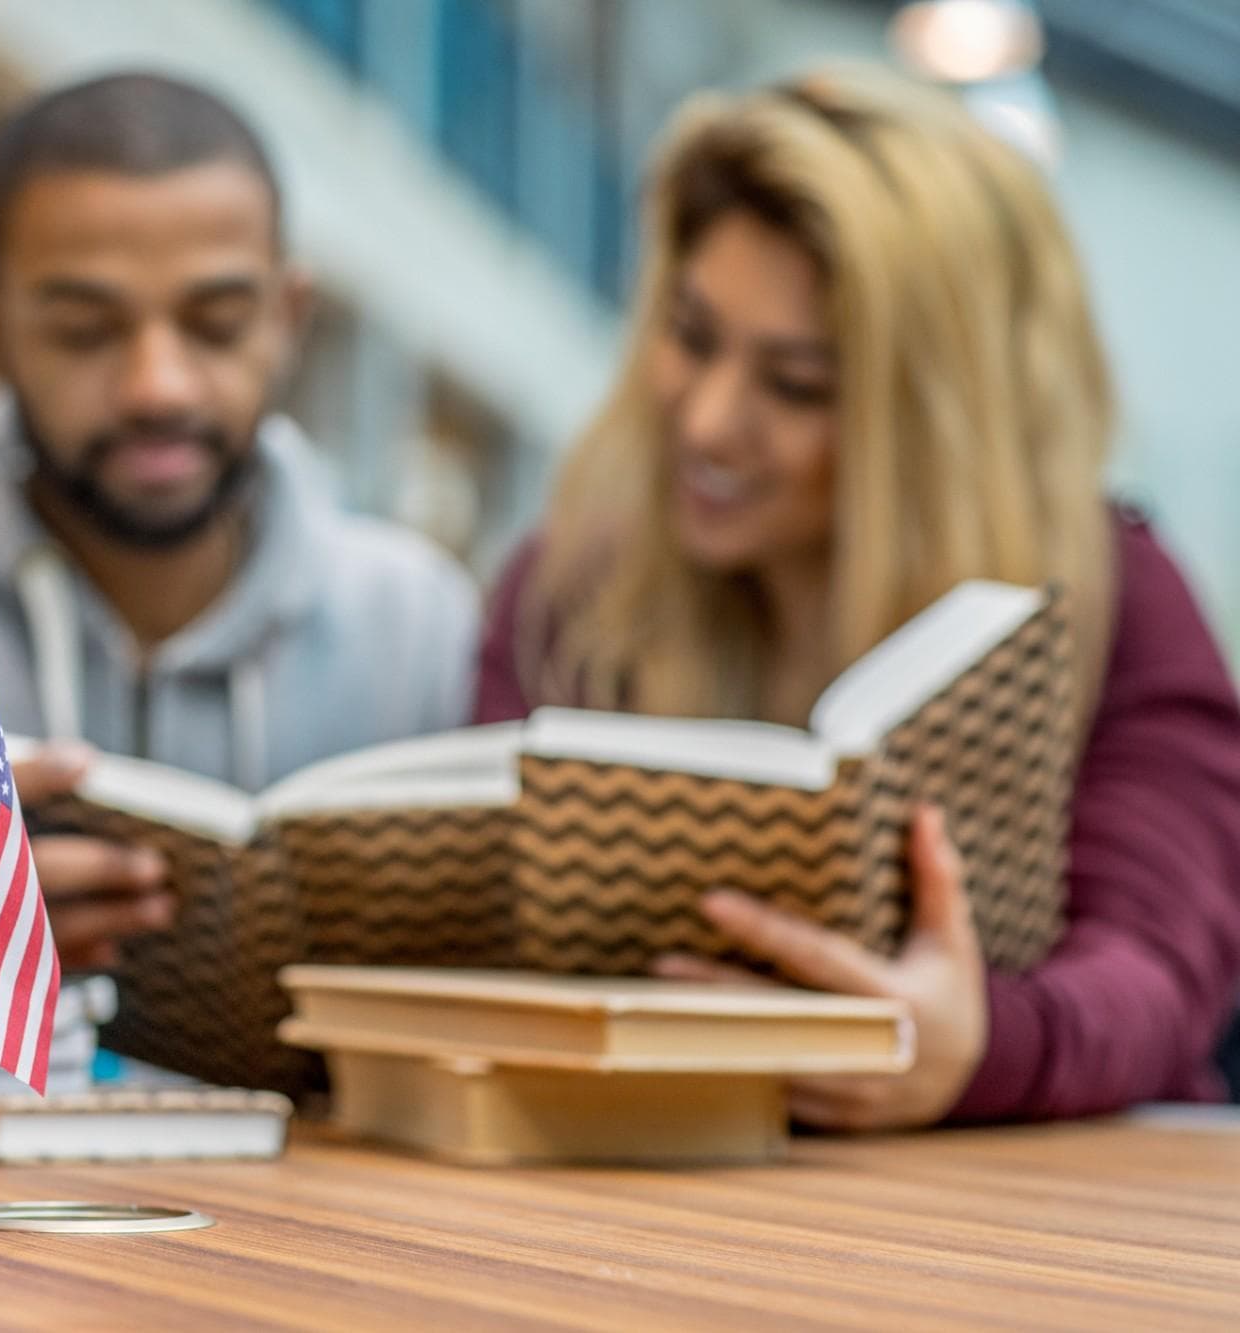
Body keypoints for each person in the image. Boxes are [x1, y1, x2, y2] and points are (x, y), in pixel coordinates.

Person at [475, 69, 1240, 1129]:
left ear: (933, 418)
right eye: (690, 336)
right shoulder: (568, 594)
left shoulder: (1115, 597)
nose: (703, 422)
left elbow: (1158, 971)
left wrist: (978, 1046)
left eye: (795, 386)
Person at [0, 73, 479, 971]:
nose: (159, 385)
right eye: (84, 331)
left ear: (289, 317)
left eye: (216, 324)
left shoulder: (418, 628)